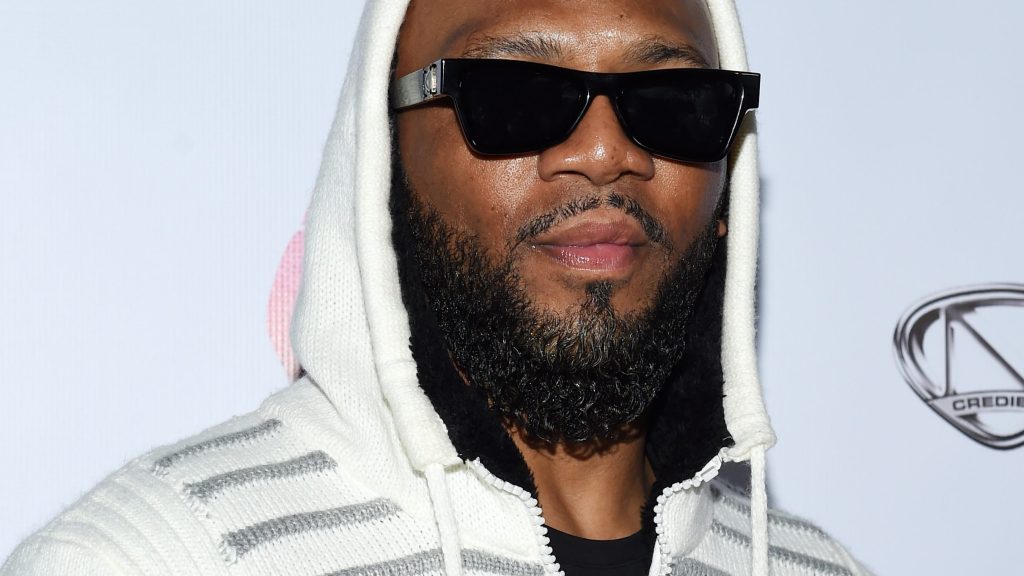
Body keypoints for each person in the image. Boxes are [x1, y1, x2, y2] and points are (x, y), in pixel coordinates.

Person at [1, 1, 872, 575]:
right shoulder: (151, 558)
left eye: (672, 100)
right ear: (381, 164)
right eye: (514, 94)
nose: (606, 152)